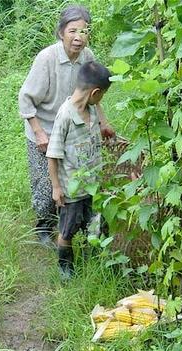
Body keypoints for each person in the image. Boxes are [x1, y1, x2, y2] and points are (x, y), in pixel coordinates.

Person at [18, 5, 114, 248]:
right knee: (47, 185)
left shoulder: (87, 57)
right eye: (73, 31)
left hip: (74, 130)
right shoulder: (47, 58)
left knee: (76, 179)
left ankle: (71, 224)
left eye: (84, 32)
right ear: (61, 32)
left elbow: (94, 93)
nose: (79, 38)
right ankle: (43, 226)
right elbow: (26, 99)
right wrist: (39, 133)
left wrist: (103, 122)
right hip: (45, 129)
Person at [45, 60, 112, 279]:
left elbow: (96, 120)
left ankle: (94, 260)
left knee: (95, 223)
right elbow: (53, 155)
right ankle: (65, 267)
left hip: (92, 184)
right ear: (95, 92)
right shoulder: (65, 116)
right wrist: (56, 188)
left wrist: (104, 126)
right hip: (71, 189)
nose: (101, 100)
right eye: (101, 95)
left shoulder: (91, 110)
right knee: (68, 229)